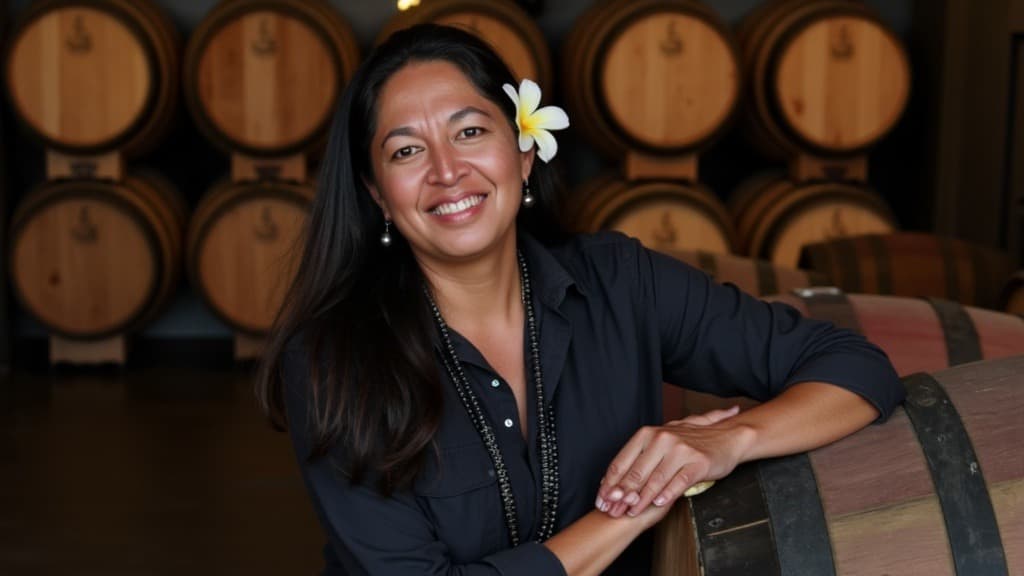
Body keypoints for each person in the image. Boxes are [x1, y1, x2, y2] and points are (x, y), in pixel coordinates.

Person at [255, 24, 904, 576]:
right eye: (406, 150)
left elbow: (854, 366)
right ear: (377, 193)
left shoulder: (620, 282)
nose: (447, 170)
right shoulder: (332, 359)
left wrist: (727, 441)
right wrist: (630, 513)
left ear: (524, 152)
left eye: (471, 131)